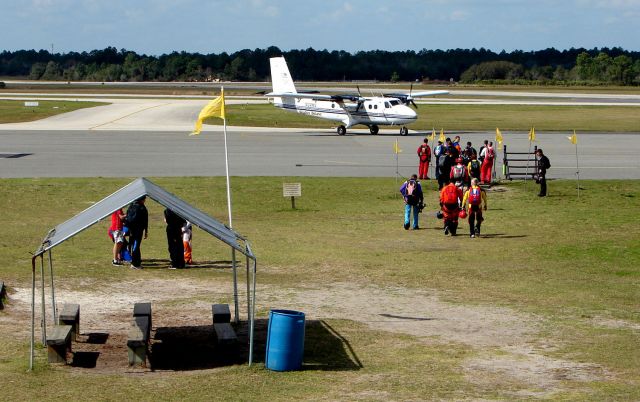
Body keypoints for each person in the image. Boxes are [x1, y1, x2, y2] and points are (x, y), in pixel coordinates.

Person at [126, 196, 148, 269]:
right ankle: (135, 264)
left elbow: (127, 218)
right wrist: (146, 231)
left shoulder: (131, 206)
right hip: (138, 230)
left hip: (131, 230)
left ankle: (135, 261)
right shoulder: (142, 208)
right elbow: (145, 221)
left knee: (133, 245)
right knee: (136, 246)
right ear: (142, 200)